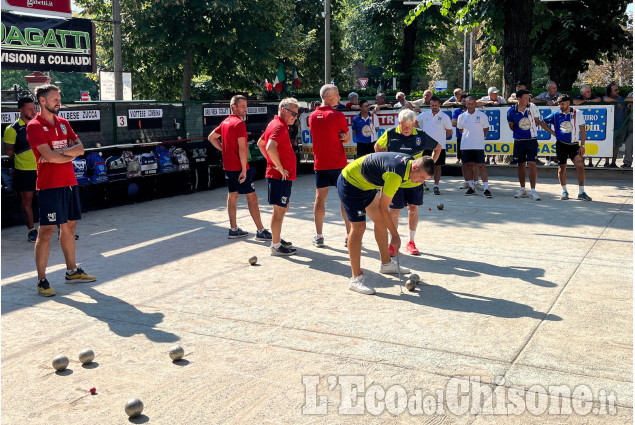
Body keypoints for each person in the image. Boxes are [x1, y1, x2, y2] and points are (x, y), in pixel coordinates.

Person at [26, 84, 96, 297]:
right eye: (55, 99)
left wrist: (63, 152)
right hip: (49, 185)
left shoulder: (64, 123)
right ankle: (42, 280)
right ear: (43, 101)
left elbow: (81, 148)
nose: (59, 101)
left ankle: (72, 271)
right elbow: (49, 156)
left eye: (59, 98)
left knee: (70, 227)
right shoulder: (34, 126)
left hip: (69, 182)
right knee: (46, 231)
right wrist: (67, 153)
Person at [337, 152, 434, 295]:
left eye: (425, 180)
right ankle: (355, 278)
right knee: (359, 228)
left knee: (381, 222)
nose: (421, 183)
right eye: (421, 178)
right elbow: (384, 208)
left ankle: (386, 263)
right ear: (414, 167)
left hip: (367, 186)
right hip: (350, 183)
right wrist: (395, 236)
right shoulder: (396, 174)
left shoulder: (409, 165)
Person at [375, 109, 441, 256]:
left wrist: (429, 165)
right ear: (399, 123)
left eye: (410, 127)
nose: (407, 129)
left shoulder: (420, 135)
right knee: (394, 212)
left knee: (413, 209)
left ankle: (411, 242)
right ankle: (393, 242)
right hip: (396, 181)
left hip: (415, 182)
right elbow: (377, 147)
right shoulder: (391, 133)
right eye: (404, 126)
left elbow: (438, 148)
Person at [208, 95, 272, 241]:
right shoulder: (239, 124)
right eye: (242, 106)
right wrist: (244, 169)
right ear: (234, 107)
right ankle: (261, 231)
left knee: (233, 195)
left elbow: (211, 137)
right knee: (252, 198)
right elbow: (243, 149)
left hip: (228, 167)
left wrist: (223, 150)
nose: (245, 109)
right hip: (239, 167)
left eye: (246, 106)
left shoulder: (225, 122)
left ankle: (233, 229)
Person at [309, 84, 352, 247]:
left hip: (320, 164)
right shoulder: (337, 115)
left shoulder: (312, 117)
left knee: (320, 199)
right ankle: (349, 236)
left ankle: (319, 236)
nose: (339, 97)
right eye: (337, 94)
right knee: (344, 200)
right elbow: (346, 139)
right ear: (328, 96)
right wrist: (342, 136)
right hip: (339, 163)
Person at [257, 98, 299, 256]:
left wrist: (272, 162)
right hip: (279, 176)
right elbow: (268, 146)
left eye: (297, 114)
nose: (295, 116)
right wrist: (279, 167)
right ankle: (275, 246)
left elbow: (260, 143)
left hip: (280, 175)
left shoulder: (275, 124)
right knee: (279, 210)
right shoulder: (279, 127)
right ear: (283, 110)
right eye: (293, 113)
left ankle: (277, 239)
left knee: (283, 207)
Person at [540, 95, 592, 201]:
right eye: (559, 104)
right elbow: (542, 123)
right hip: (561, 145)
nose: (560, 106)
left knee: (580, 166)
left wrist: (582, 146)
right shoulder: (556, 114)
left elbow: (583, 130)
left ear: (568, 102)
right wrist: (553, 133)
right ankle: (564, 191)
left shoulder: (577, 113)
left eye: (562, 104)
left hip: (574, 145)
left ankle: (581, 192)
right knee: (561, 168)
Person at [3, 97, 38, 242]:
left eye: (34, 108)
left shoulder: (41, 125)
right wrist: (24, 145)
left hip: (44, 168)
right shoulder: (12, 129)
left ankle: (62, 229)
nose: (33, 111)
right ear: (21, 110)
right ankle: (32, 231)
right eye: (30, 109)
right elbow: (8, 152)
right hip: (24, 171)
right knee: (26, 202)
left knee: (52, 198)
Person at [507, 89, 542, 201]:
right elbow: (511, 126)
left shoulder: (533, 107)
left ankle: (533, 191)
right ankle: (522, 189)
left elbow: (537, 123)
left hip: (531, 139)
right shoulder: (511, 111)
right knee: (520, 165)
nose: (528, 100)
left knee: (532, 163)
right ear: (519, 99)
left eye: (528, 98)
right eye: (525, 98)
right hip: (519, 141)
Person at [457, 96, 492, 198]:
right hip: (466, 145)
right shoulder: (461, 116)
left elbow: (486, 129)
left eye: (472, 104)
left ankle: (486, 188)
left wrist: (479, 138)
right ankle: (471, 187)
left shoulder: (482, 116)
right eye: (469, 104)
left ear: (475, 104)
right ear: (466, 104)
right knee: (468, 165)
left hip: (478, 145)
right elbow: (460, 130)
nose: (470, 105)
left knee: (481, 166)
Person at [417, 96, 452, 195]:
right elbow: (414, 122)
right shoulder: (424, 114)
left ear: (439, 105)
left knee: (437, 166)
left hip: (439, 146)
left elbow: (449, 131)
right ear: (430, 105)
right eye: (432, 105)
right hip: (426, 145)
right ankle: (422, 184)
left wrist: (440, 137)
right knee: (422, 165)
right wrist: (420, 133)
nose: (434, 107)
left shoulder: (445, 117)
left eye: (436, 105)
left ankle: (436, 186)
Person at [602, 82, 626, 168]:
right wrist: (616, 102)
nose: (617, 91)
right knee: (609, 145)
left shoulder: (621, 98)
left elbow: (624, 111)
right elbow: (605, 99)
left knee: (617, 146)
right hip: (610, 127)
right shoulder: (606, 98)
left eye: (618, 89)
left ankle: (613, 162)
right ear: (610, 92)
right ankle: (606, 162)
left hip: (621, 126)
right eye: (615, 90)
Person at [453, 93, 469, 173]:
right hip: (460, 134)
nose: (465, 103)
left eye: (467, 101)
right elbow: (454, 123)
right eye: (463, 101)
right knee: (459, 148)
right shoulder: (457, 111)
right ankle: (458, 159)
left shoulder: (475, 112)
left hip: (471, 135)